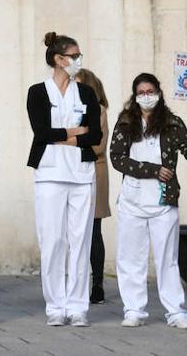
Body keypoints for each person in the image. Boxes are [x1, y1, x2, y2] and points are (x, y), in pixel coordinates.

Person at [26, 31, 102, 327]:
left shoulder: (86, 93)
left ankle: (77, 306)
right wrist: (75, 132)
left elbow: (94, 135)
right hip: (49, 173)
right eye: (74, 56)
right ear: (58, 59)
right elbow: (41, 134)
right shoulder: (37, 91)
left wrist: (67, 137)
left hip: (82, 175)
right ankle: (55, 306)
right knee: (53, 241)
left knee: (80, 241)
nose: (78, 61)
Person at [109, 73, 187, 328]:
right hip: (132, 200)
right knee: (131, 257)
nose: (146, 96)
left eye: (150, 91)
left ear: (159, 92)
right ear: (135, 95)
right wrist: (152, 169)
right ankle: (134, 309)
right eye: (141, 92)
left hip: (164, 201)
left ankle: (175, 310)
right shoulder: (125, 122)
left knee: (167, 258)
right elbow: (117, 158)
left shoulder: (173, 123)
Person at [75, 68, 112, 305]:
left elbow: (97, 146)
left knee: (94, 231)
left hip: (93, 173)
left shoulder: (98, 110)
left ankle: (97, 284)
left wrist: (69, 139)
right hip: (73, 171)